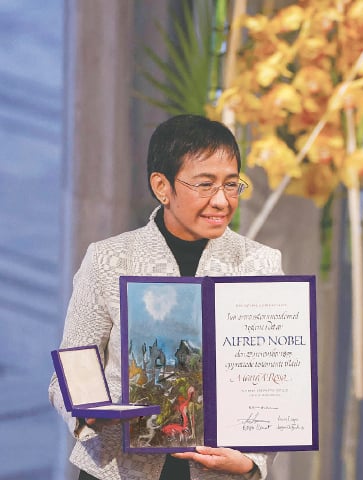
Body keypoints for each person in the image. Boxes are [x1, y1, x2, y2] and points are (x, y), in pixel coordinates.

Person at [49, 114, 281, 480]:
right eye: (205, 185)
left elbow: (272, 378)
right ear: (162, 186)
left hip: (219, 471)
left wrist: (251, 462)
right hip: (116, 468)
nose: (221, 200)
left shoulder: (259, 263)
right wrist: (85, 410)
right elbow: (67, 375)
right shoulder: (110, 259)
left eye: (232, 185)